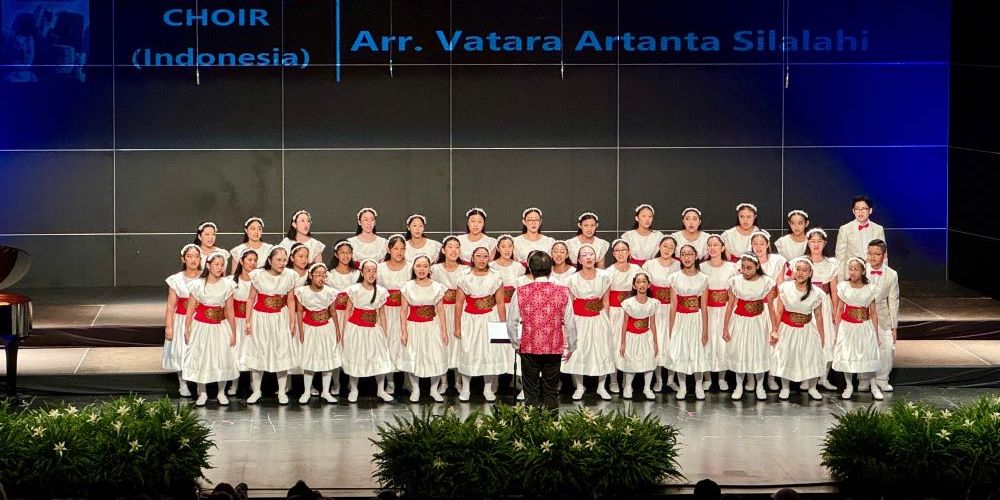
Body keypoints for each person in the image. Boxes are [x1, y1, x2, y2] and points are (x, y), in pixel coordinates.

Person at [507, 251, 576, 410]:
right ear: (551, 269)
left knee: (530, 391)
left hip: (529, 347)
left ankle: (531, 427)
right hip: (553, 347)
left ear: (530, 269)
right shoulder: (562, 291)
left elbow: (512, 322)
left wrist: (516, 344)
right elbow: (570, 323)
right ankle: (552, 429)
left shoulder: (521, 291)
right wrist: (571, 346)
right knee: (551, 391)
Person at [243, 247, 299, 404]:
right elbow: (250, 299)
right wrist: (248, 320)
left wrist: (292, 321)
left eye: (284, 260)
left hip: (280, 318)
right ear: (270, 260)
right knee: (259, 351)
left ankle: (282, 391)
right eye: (278, 260)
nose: (282, 263)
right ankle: (256, 391)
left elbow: (290, 300)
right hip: (261, 318)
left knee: (281, 352)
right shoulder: (258, 276)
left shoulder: (290, 276)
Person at [182, 251, 238, 406]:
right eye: (216, 264)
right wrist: (187, 329)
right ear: (208, 265)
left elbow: (230, 311)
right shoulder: (198, 285)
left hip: (220, 326)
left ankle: (221, 392)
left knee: (222, 356)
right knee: (202, 357)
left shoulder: (227, 285)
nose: (220, 268)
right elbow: (190, 310)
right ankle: (202, 392)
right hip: (202, 326)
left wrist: (234, 332)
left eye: (222, 265)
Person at [561, 245, 615, 400]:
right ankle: (579, 386)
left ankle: (601, 386)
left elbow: (606, 301)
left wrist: (606, 320)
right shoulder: (571, 279)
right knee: (579, 351)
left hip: (598, 317)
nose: (588, 257)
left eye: (591, 254)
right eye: (584, 255)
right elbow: (569, 305)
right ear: (579, 259)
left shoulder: (605, 276)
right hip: (579, 320)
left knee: (602, 350)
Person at [455, 247, 508, 401]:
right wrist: (457, 326)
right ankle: (466, 388)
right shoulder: (464, 276)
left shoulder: (496, 276)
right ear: (472, 257)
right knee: (468, 351)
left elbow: (500, 303)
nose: (482, 259)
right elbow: (459, 303)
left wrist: (502, 326)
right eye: (478, 256)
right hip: (470, 318)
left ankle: (488, 388)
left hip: (490, 318)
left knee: (489, 352)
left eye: (485, 256)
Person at [770, 258, 827, 400]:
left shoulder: (817, 292)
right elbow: (779, 311)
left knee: (811, 356)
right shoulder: (785, 288)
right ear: (794, 271)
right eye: (798, 269)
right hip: (788, 328)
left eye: (804, 270)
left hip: (807, 329)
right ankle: (785, 387)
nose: (800, 273)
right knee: (786, 356)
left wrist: (822, 335)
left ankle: (812, 387)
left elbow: (818, 315)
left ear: (810, 273)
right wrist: (775, 330)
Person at [722, 253, 776, 400]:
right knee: (740, 351)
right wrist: (725, 327)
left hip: (758, 321)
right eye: (743, 268)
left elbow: (771, 307)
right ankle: (739, 386)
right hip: (740, 321)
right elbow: (730, 305)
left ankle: (760, 386)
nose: (745, 271)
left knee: (758, 351)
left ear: (757, 266)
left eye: (749, 268)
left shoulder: (767, 282)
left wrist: (774, 329)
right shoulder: (734, 282)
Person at [397, 255, 450, 402]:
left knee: (435, 355)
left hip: (431, 326)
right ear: (413, 268)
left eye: (425, 266)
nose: (422, 269)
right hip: (414, 326)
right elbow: (403, 311)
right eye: (418, 266)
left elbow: (440, 310)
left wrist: (444, 331)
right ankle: (416, 389)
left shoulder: (437, 287)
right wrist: (404, 331)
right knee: (414, 357)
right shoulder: (407, 287)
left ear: (429, 268)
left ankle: (434, 389)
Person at [341, 260, 394, 403]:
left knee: (378, 357)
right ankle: (354, 389)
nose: (371, 274)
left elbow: (382, 314)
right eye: (368, 270)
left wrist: (384, 332)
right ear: (362, 272)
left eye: (374, 270)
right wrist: (345, 331)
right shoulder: (355, 289)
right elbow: (348, 310)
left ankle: (381, 390)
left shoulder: (381, 291)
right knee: (356, 356)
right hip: (356, 328)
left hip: (373, 328)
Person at [832, 257, 882, 400]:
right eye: (850, 269)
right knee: (848, 355)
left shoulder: (870, 289)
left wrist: (876, 333)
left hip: (864, 326)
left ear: (863, 271)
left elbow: (873, 312)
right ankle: (849, 386)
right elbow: (840, 309)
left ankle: (874, 386)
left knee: (868, 355)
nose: (853, 272)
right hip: (848, 326)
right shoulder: (843, 287)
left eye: (856, 269)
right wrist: (837, 331)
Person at [294, 263, 341, 404]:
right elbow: (300, 311)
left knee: (326, 359)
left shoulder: (330, 292)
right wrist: (301, 331)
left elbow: (333, 311)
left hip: (326, 328)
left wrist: (337, 330)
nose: (321, 278)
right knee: (310, 359)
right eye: (318, 274)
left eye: (324, 275)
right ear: (310, 275)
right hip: (309, 328)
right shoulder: (302, 291)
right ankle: (306, 391)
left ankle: (326, 392)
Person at [861, 239, 899, 393]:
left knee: (887, 348)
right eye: (870, 253)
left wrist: (894, 326)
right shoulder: (860, 269)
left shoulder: (891, 274)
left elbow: (893, 300)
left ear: (884, 254)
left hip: (883, 316)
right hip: (863, 315)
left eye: (877, 254)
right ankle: (863, 379)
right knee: (863, 348)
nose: (873, 257)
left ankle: (882, 379)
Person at [164, 244, 202, 397]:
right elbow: (171, 305)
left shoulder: (205, 278)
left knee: (200, 351)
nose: (193, 260)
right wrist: (169, 326)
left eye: (196, 256)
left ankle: (201, 385)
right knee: (181, 350)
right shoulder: (176, 280)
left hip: (199, 320)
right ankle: (183, 384)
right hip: (181, 319)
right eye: (190, 256)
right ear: (183, 259)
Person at [617, 272, 659, 400]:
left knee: (649, 361)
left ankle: (647, 388)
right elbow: (624, 324)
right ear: (634, 286)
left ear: (648, 284)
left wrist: (655, 342)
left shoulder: (653, 303)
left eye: (644, 281)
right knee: (631, 361)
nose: (641, 284)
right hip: (632, 336)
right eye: (638, 282)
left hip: (645, 336)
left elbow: (652, 324)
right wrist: (623, 343)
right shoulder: (628, 303)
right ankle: (628, 386)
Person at [835, 195, 886, 281]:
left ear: (870, 210)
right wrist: (840, 282)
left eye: (864, 209)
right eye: (857, 209)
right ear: (853, 211)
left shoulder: (878, 229)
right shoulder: (845, 229)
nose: (860, 212)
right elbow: (840, 257)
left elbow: (883, 256)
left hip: (873, 276)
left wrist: (883, 277)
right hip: (852, 276)